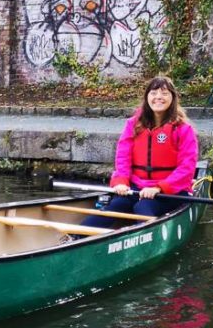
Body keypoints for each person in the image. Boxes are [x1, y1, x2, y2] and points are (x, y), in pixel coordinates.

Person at [82, 75, 199, 228]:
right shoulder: (133, 124)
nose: (158, 97)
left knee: (143, 207)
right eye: (154, 93)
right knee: (117, 205)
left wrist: (159, 187)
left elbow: (187, 167)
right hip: (136, 186)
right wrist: (121, 181)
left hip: (171, 191)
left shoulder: (183, 129)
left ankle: (147, 244)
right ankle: (74, 237)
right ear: (147, 97)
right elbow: (123, 157)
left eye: (164, 93)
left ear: (173, 98)